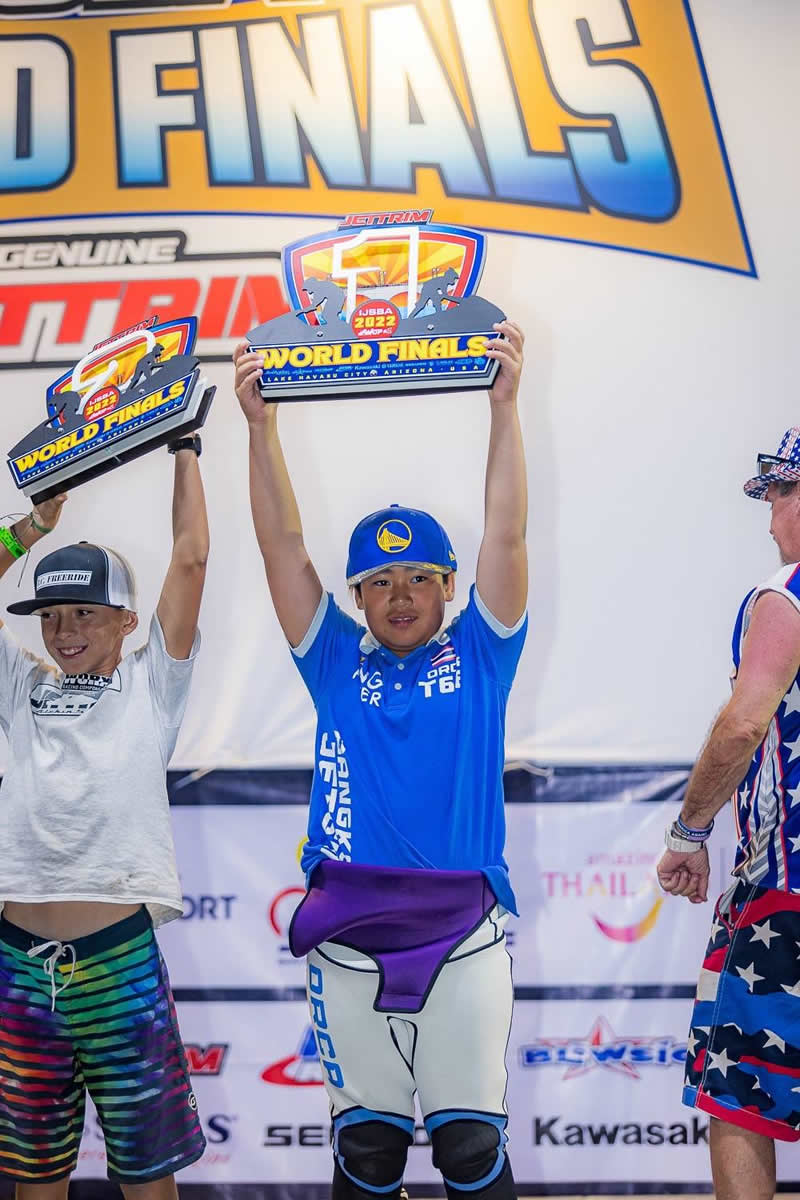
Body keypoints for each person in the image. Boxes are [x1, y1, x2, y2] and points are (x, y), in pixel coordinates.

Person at [234, 320, 527, 1200]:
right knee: (367, 1152)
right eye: (380, 583)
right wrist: (259, 428)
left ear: (450, 587)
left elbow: (507, 537)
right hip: (349, 929)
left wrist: (504, 409)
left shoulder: (483, 651)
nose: (401, 595)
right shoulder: (332, 657)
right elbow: (282, 548)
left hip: (461, 924)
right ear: (356, 597)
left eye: (420, 578)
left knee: (471, 1146)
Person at [0, 430, 208, 1199]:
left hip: (118, 964)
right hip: (19, 965)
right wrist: (30, 529)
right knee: (35, 1178)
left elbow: (191, 560)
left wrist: (185, 450)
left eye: (85, 613)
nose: (65, 632)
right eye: (52, 616)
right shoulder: (22, 686)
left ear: (127, 620)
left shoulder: (151, 685)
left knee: (148, 1177)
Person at [656, 427, 800, 1200]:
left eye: (779, 492)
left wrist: (689, 830)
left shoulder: (787, 595)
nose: (771, 516)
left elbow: (744, 724)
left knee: (740, 1092)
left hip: (786, 893)